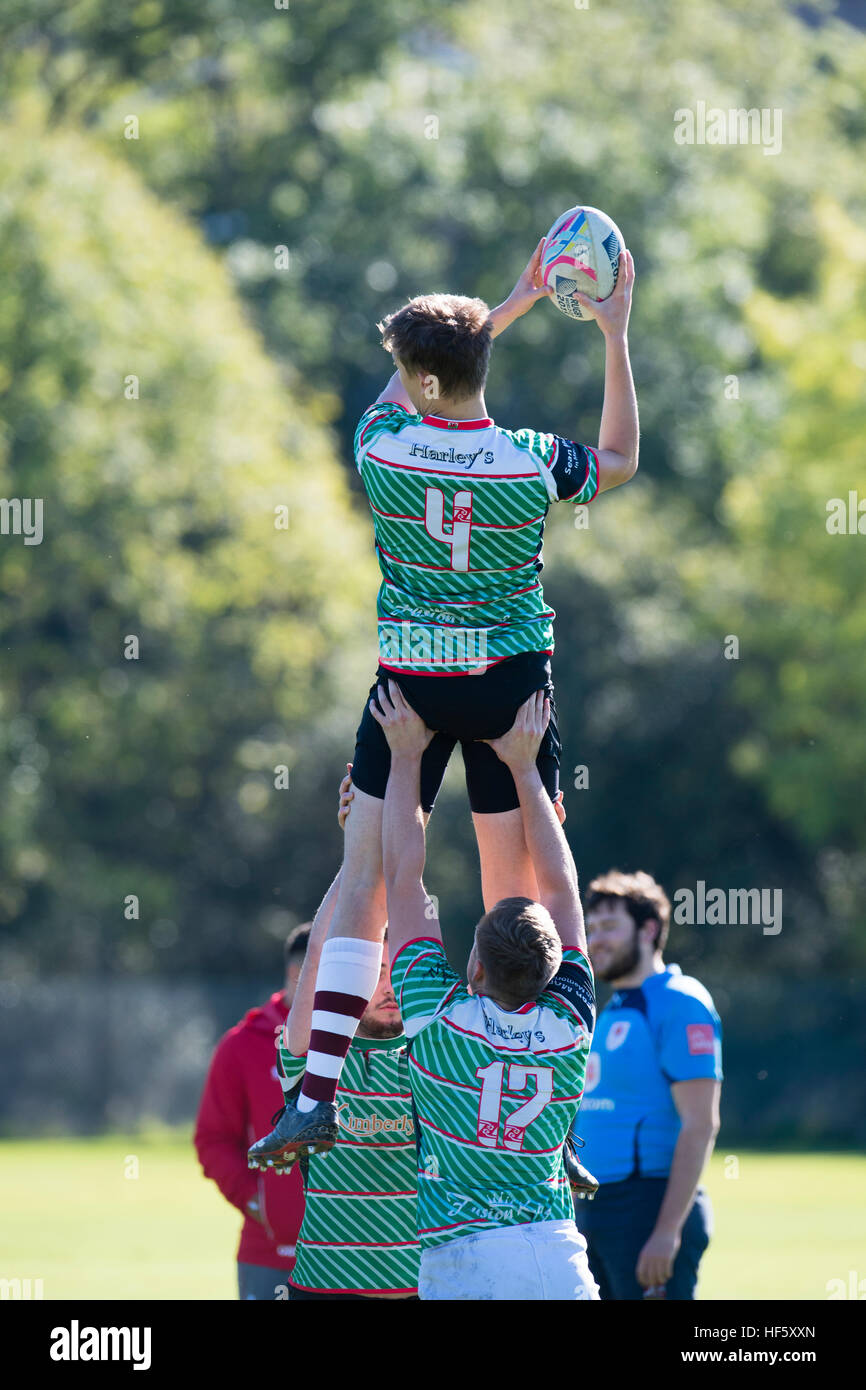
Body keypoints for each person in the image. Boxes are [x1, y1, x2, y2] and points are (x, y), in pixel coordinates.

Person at [266, 239, 638, 1161]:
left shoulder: (382, 448)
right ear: (476, 369)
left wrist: (504, 306)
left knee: (367, 878)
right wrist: (614, 334)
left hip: (413, 683)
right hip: (511, 686)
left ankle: (318, 1094)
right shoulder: (528, 460)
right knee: (517, 894)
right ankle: (534, 1111)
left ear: (418, 375)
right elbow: (622, 458)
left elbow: (412, 389)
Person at [375, 683, 598, 1299]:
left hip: (467, 1262)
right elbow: (562, 891)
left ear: (473, 967)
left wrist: (405, 757)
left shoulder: (440, 1023)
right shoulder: (569, 1025)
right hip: (560, 1258)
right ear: (553, 973)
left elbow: (402, 878)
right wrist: (525, 769)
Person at [249, 870, 419, 1300]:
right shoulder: (315, 1056)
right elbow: (322, 950)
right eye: (373, 970)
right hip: (324, 1288)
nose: (388, 985)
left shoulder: (432, 1055)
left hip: (423, 1288)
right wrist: (359, 854)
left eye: (396, 968)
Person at [574, 871, 722, 1300]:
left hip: (647, 1210)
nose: (595, 940)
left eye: (610, 927)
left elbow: (700, 1124)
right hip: (596, 1213)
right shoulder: (611, 1010)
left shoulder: (680, 1001)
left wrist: (666, 1233)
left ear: (648, 929)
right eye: (592, 928)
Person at [194, 925, 309, 1300]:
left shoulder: (360, 1042)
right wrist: (256, 1200)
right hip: (269, 1254)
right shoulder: (242, 1045)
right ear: (298, 974)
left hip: (351, 1252)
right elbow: (213, 1139)